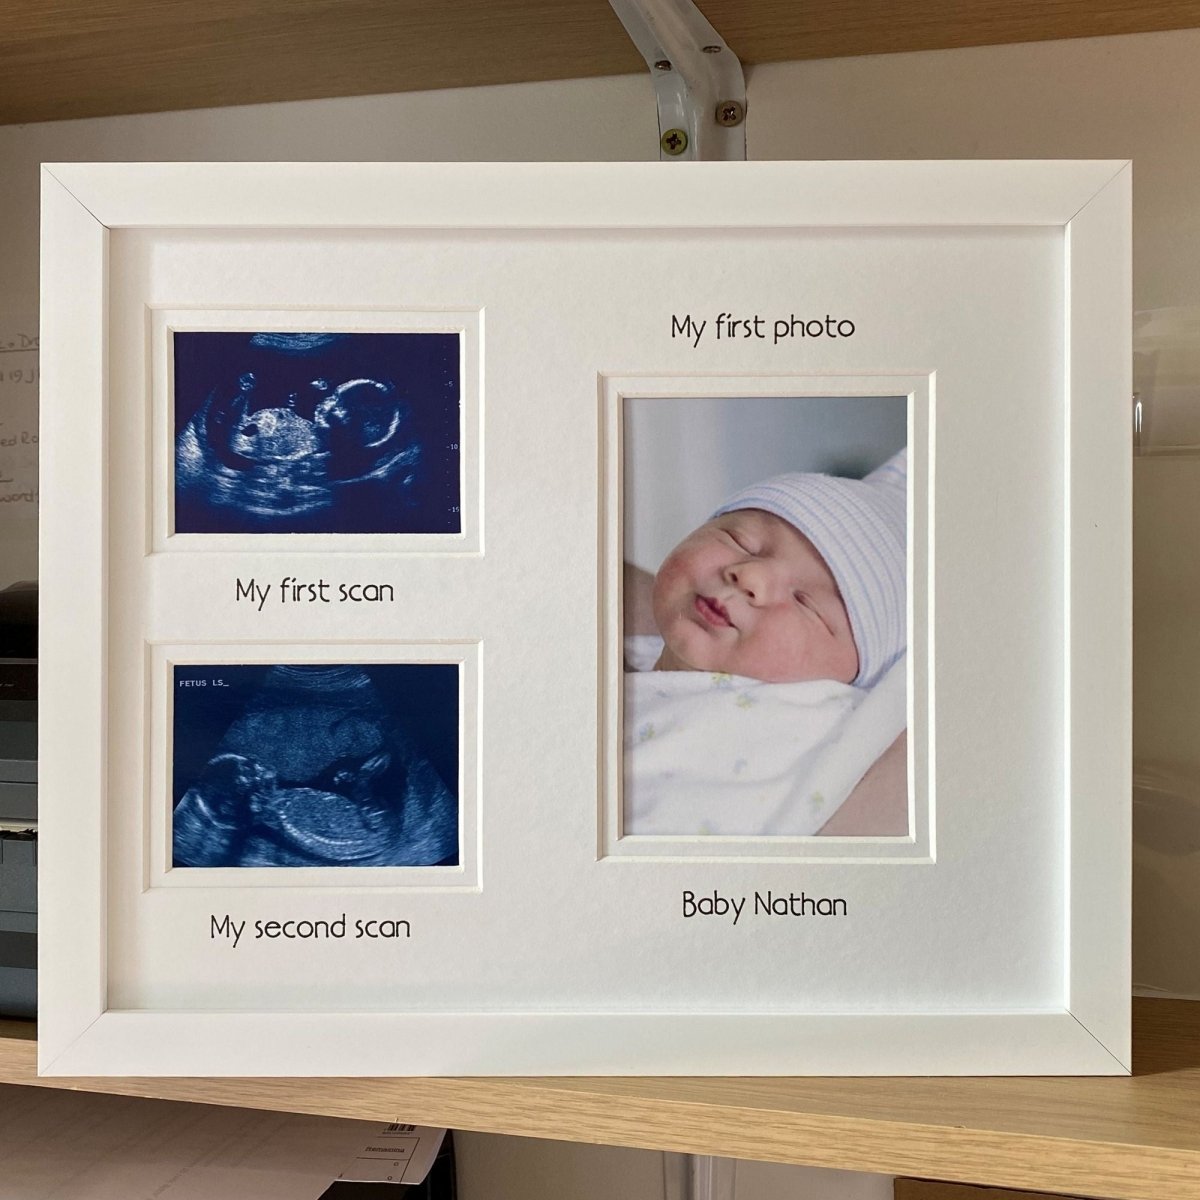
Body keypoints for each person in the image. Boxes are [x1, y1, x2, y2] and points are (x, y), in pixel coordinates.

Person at [623, 448, 907, 836]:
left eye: (806, 602)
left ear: (853, 676)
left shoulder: (832, 727)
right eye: (740, 540)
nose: (751, 576)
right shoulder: (618, 646)